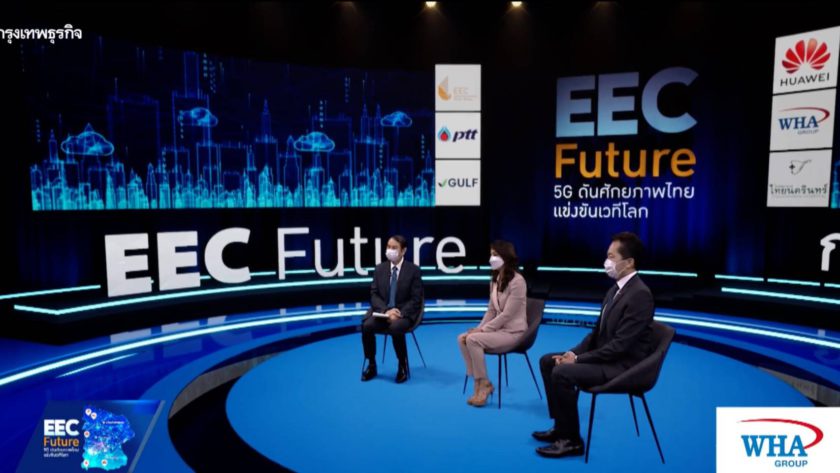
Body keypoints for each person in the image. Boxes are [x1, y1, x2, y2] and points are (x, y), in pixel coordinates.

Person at [533, 232, 655, 458]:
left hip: (623, 366)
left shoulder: (640, 295)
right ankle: (561, 428)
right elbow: (596, 335)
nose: (606, 261)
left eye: (611, 256)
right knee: (548, 361)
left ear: (629, 262)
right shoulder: (615, 289)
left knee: (562, 373)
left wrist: (577, 360)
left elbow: (620, 347)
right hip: (607, 358)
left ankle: (572, 441)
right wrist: (571, 353)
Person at [457, 240, 527, 407]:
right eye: (491, 254)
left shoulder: (518, 281)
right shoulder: (495, 279)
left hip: (513, 333)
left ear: (506, 257)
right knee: (462, 338)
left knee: (473, 340)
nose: (491, 258)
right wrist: (479, 328)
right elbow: (491, 310)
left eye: (495, 255)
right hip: (498, 330)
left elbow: (507, 315)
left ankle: (482, 386)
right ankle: (481, 382)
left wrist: (482, 331)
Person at [361, 235, 424, 384]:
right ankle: (372, 364)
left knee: (395, 327)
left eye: (394, 247)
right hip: (383, 312)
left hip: (403, 314)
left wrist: (399, 313)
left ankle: (402, 365)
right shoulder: (380, 269)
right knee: (366, 326)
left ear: (403, 251)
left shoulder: (413, 271)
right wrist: (386, 311)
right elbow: (374, 294)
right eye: (388, 247)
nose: (390, 250)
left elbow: (416, 299)